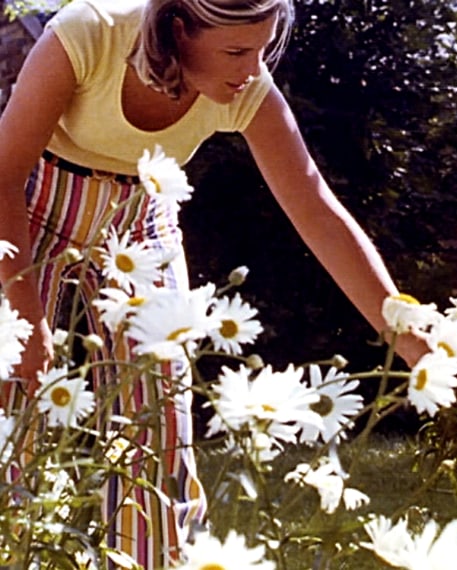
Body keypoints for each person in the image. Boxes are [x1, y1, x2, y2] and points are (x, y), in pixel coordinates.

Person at [0, 0, 426, 566]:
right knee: (11, 411)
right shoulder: (89, 33)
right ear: (178, 30)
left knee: (157, 426)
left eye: (263, 48)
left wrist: (411, 335)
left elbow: (318, 211)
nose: (253, 69)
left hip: (141, 218)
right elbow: (2, 176)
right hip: (28, 203)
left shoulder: (248, 89)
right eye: (235, 50)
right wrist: (26, 318)